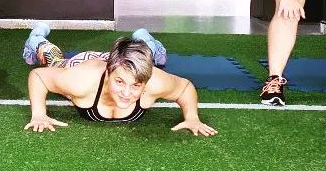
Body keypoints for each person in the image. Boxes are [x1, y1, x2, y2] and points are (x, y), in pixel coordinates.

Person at [21, 28, 217, 136]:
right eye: (120, 83)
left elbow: (184, 87)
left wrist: (192, 117)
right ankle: (36, 38)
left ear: (145, 83)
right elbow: (38, 76)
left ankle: (145, 39)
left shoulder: (153, 81)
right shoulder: (81, 81)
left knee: (150, 57)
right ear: (108, 75)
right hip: (86, 62)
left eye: (136, 86)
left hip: (125, 63)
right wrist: (39, 114)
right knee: (55, 61)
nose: (126, 93)